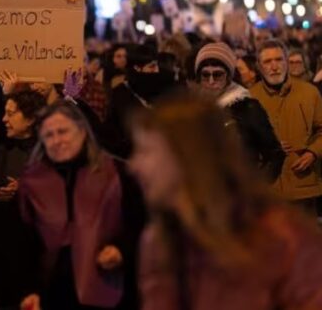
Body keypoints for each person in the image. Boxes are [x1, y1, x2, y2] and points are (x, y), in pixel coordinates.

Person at [129, 95, 322, 310]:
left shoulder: (280, 236)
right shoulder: (158, 244)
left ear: (186, 154)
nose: (134, 166)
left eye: (146, 151)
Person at [19, 102, 126, 310]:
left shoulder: (116, 174)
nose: (57, 141)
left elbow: (139, 224)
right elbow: (24, 243)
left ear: (82, 131)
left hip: (108, 286)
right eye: (49, 135)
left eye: (63, 132)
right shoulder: (33, 182)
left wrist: (121, 250)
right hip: (54, 292)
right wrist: (29, 290)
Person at [0, 90, 46, 308]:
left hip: (36, 247)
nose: (4, 119)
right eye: (5, 113)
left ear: (30, 119)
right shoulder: (4, 148)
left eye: (11, 114)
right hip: (5, 241)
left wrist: (25, 188)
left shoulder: (47, 152)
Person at [195, 43, 285, 181]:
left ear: (229, 76)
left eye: (218, 75)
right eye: (205, 75)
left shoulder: (246, 107)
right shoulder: (192, 109)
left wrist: (254, 187)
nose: (211, 81)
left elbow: (275, 155)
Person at [251, 40, 322, 209]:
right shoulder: (251, 97)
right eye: (267, 61)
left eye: (279, 59)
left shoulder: (309, 93)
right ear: (259, 66)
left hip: (304, 185)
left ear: (286, 62)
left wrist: (313, 153)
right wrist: (268, 148)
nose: (274, 66)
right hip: (267, 188)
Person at [104, 45, 177, 159]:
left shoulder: (167, 88)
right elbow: (113, 131)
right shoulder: (121, 93)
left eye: (155, 66)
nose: (155, 70)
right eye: (151, 66)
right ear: (137, 68)